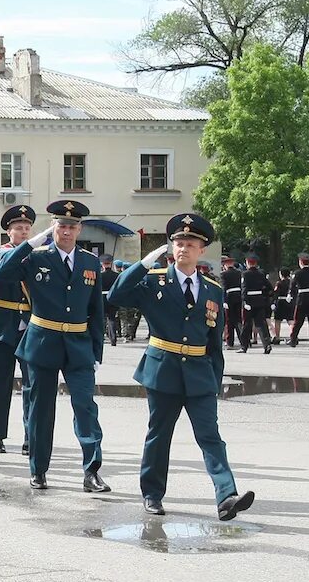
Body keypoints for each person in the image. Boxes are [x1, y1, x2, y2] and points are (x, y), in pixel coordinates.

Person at [108, 214, 255, 521]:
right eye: (178, 243)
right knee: (159, 435)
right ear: (171, 247)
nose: (183, 249)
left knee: (210, 436)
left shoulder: (213, 289)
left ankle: (226, 496)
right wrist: (145, 262)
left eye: (190, 244)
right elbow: (117, 294)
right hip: (163, 368)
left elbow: (215, 341)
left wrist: (215, 379)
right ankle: (152, 494)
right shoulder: (154, 280)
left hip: (200, 372)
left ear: (202, 250)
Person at [0, 200, 109, 493]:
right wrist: (28, 244)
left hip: (79, 346)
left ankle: (92, 471)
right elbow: (1, 274)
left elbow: (97, 310)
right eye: (62, 226)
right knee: (42, 409)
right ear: (53, 227)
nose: (67, 231)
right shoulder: (35, 257)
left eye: (72, 226)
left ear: (79, 229)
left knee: (86, 408)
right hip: (43, 342)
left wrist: (96, 350)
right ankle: (39, 469)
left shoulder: (89, 262)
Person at [0, 205, 36, 455]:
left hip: (30, 325)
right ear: (9, 232)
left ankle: (30, 436)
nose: (23, 233)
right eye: (18, 229)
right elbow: (2, 271)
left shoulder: (37, 255)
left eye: (27, 229)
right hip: (2, 324)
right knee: (1, 381)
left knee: (31, 384)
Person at [239, 254, 273, 354]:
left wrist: (245, 301)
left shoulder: (245, 274)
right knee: (261, 325)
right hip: (259, 301)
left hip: (249, 301)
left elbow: (244, 288)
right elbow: (269, 287)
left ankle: (244, 346)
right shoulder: (261, 274)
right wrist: (264, 297)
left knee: (246, 325)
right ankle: (267, 345)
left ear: (248, 263)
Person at [220, 255, 243, 348]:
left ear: (225, 265)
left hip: (229, 297)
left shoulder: (224, 274)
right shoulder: (238, 272)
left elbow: (224, 287)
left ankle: (230, 342)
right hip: (238, 296)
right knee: (238, 320)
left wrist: (224, 300)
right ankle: (243, 340)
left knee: (229, 321)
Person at [290, 253, 309, 348]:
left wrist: (291, 295)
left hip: (301, 298)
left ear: (301, 262)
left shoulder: (297, 273)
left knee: (297, 321)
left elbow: (293, 286)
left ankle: (293, 340)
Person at [100, 254, 119, 346]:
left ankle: (101, 337)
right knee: (112, 319)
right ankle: (113, 339)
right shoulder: (116, 275)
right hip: (113, 298)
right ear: (111, 264)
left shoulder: (99, 275)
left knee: (102, 319)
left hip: (102, 298)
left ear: (102, 264)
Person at [273, 268, 295, 345]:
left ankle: (277, 337)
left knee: (278, 321)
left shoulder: (279, 283)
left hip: (281, 302)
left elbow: (276, 293)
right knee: (290, 321)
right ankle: (293, 336)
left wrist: (273, 302)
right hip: (290, 302)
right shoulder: (291, 282)